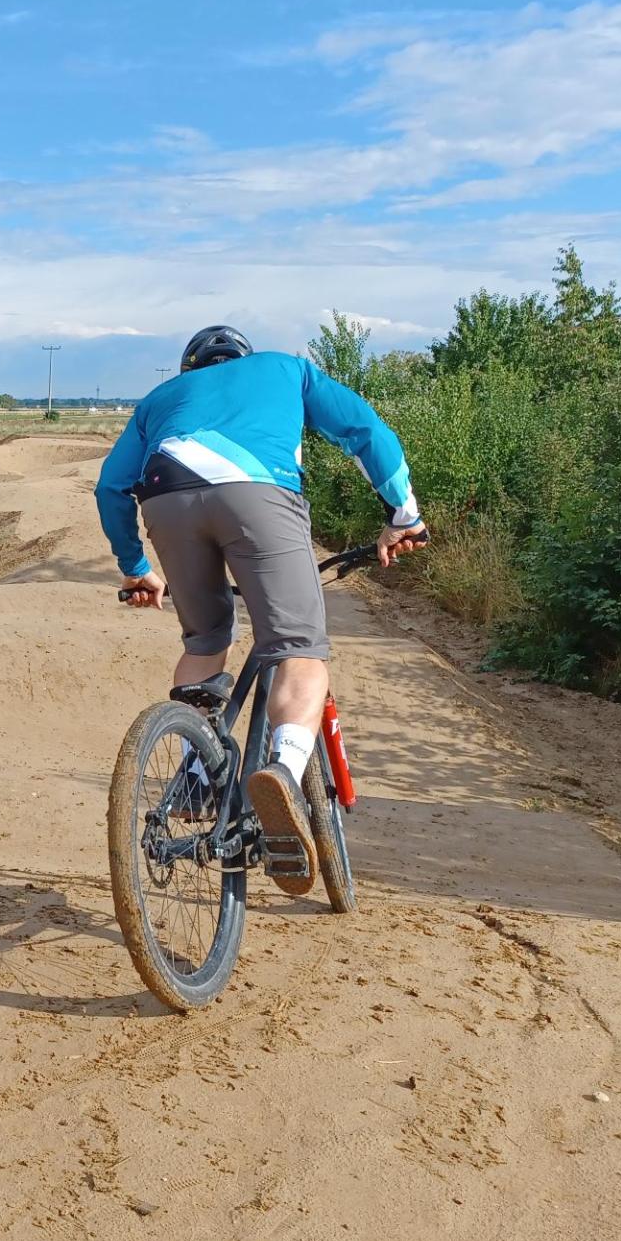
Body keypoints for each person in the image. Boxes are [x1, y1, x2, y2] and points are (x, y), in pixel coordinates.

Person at [95, 325, 426, 889]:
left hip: (167, 497)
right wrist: (403, 517)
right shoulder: (286, 369)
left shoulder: (159, 401)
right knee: (297, 647)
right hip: (258, 494)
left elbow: (110, 487)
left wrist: (136, 569)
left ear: (190, 369)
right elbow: (364, 430)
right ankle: (282, 774)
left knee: (205, 640)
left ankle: (199, 770)